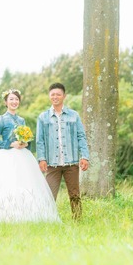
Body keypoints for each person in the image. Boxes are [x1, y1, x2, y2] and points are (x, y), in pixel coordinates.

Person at [0, 89, 61, 224]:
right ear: (6, 102)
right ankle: (4, 213)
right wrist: (10, 144)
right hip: (6, 156)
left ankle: (25, 214)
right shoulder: (1, 119)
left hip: (23, 156)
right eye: (11, 99)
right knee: (6, 183)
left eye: (16, 99)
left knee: (26, 183)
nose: (14, 102)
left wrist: (25, 143)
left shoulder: (22, 120)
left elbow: (27, 138)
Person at [35, 82, 90, 220]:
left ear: (64, 96)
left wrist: (85, 156)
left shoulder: (74, 115)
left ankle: (77, 220)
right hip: (52, 163)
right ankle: (47, 220)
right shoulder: (43, 117)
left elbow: (81, 136)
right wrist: (41, 158)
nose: (55, 97)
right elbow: (39, 140)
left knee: (74, 194)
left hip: (71, 162)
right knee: (49, 194)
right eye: (52, 94)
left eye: (58, 94)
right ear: (49, 96)